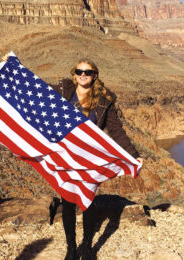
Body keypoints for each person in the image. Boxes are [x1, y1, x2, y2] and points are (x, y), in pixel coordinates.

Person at [50, 58, 143, 260]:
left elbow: (116, 130)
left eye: (88, 72)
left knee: (88, 202)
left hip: (89, 159)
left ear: (95, 76)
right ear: (74, 73)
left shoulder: (104, 99)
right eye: (79, 71)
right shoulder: (63, 91)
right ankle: (71, 249)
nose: (83, 74)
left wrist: (134, 155)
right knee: (67, 202)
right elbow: (33, 88)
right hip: (66, 156)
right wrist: (13, 66)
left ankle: (87, 247)